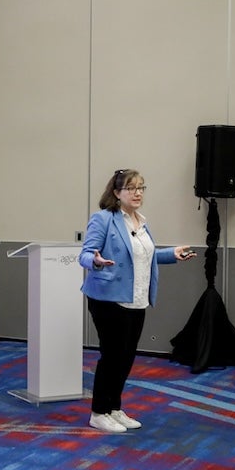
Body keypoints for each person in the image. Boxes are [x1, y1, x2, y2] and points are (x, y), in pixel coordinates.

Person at [79, 169, 196, 433]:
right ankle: (98, 412)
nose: (138, 193)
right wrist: (95, 261)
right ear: (117, 192)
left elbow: (144, 256)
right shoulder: (104, 219)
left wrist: (171, 254)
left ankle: (114, 408)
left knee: (126, 358)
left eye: (141, 187)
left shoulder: (140, 222)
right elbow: (86, 254)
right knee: (111, 357)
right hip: (109, 300)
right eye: (131, 188)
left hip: (137, 298)